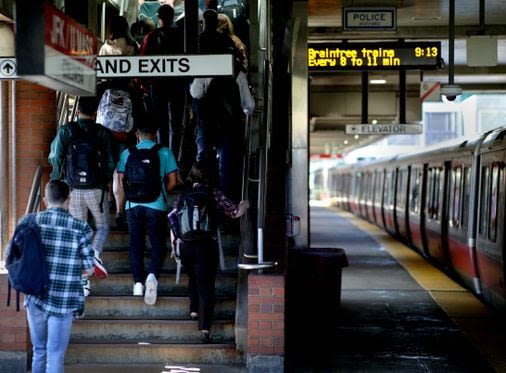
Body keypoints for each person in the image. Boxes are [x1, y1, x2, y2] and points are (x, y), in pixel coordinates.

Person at [171, 160, 248, 343]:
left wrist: (174, 247)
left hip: (186, 245)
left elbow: (173, 221)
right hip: (207, 245)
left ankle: (194, 310)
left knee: (192, 276)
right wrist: (246, 204)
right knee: (206, 286)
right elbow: (235, 212)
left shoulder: (182, 197)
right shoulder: (214, 194)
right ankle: (205, 330)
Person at [24, 180, 95, 373]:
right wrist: (71, 268)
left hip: (35, 297)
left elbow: (12, 256)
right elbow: (89, 268)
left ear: (46, 200)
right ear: (69, 200)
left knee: (39, 351)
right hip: (63, 300)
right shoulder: (80, 228)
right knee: (55, 354)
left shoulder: (29, 221)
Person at [48, 96, 115, 296]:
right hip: (96, 188)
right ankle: (94, 253)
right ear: (96, 113)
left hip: (73, 188)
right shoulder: (102, 132)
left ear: (77, 110)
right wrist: (104, 180)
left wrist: (56, 179)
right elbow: (111, 161)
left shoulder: (66, 130)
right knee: (102, 226)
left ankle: (84, 283)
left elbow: (56, 157)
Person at [116, 122, 178, 305]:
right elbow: (173, 181)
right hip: (156, 205)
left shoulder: (127, 153)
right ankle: (152, 275)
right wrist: (161, 193)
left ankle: (137, 283)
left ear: (137, 134)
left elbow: (121, 182)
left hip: (133, 205)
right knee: (157, 242)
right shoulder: (165, 151)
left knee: (136, 243)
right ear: (155, 134)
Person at [140, 4, 187, 155]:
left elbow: (142, 62)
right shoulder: (182, 35)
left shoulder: (151, 37)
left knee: (160, 122)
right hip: (178, 84)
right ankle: (174, 156)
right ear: (172, 17)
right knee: (176, 123)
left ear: (159, 18)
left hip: (157, 84)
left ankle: (161, 153)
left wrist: (144, 84)